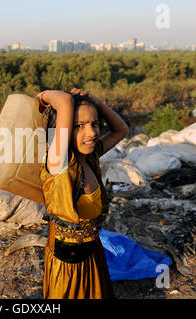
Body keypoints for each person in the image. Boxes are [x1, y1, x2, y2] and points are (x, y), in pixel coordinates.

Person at [35, 88, 129, 299]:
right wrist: (41, 98)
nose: (92, 133)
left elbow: (121, 130)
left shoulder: (91, 156)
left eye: (94, 124)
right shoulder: (60, 164)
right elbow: (65, 101)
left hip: (92, 257)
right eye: (79, 126)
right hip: (68, 270)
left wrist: (95, 101)